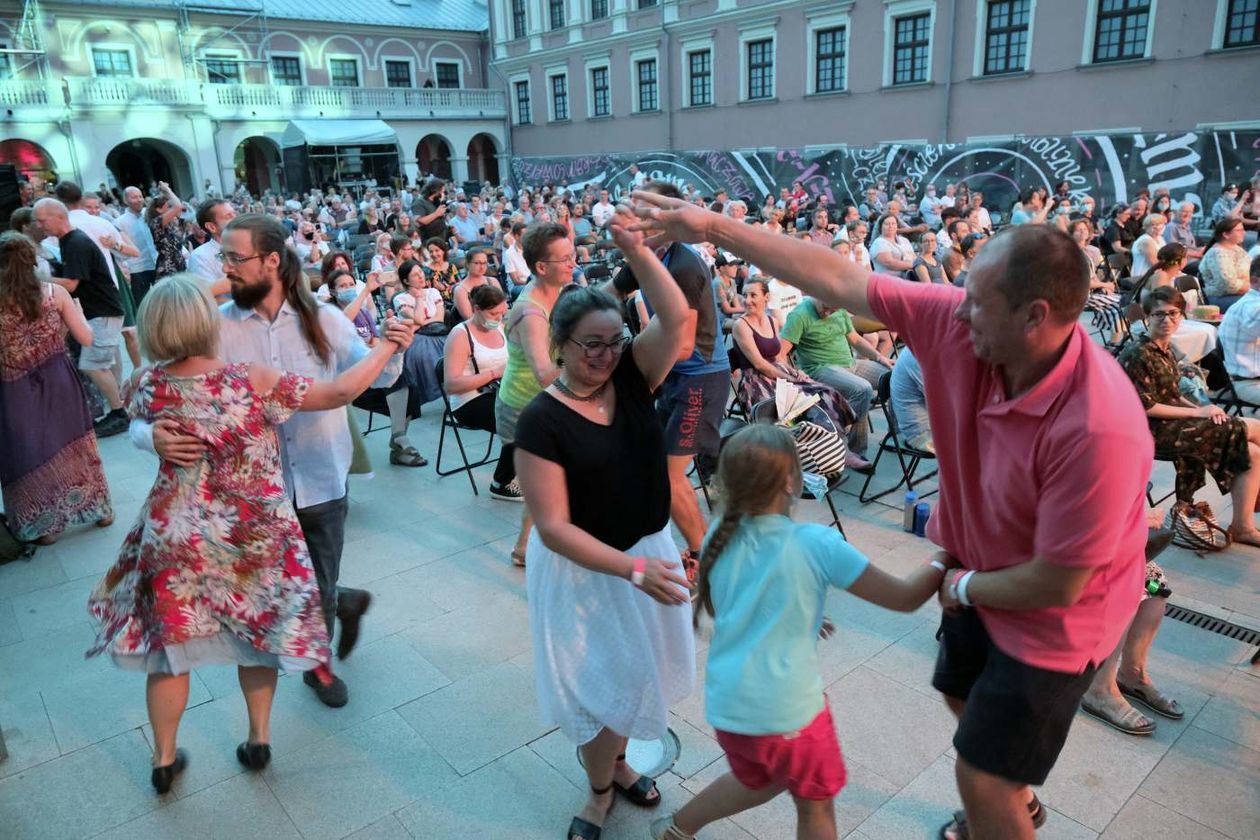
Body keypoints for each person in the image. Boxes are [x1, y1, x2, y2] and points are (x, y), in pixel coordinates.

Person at [631, 193, 1153, 840]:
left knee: (980, 775)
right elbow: (839, 277)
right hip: (976, 570)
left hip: (1059, 615)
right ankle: (1012, 795)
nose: (958, 308)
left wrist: (958, 584)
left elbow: (1060, 581)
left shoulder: (1102, 425)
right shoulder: (961, 326)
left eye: (978, 301)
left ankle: (1001, 798)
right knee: (960, 692)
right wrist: (712, 227)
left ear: (1035, 317)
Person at [88, 275, 405, 794]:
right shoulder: (250, 379)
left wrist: (150, 437)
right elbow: (342, 391)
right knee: (259, 641)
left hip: (177, 532)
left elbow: (134, 424)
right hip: (256, 531)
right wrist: (389, 343)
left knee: (172, 651)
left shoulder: (146, 382)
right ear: (203, 321)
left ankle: (164, 760)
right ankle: (258, 741)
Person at [131, 215, 414, 708]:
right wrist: (148, 436)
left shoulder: (324, 319)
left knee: (316, 581)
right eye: (224, 257)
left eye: (235, 258)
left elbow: (370, 377)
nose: (226, 268)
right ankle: (341, 601)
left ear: (272, 261)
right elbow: (155, 394)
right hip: (246, 497)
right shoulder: (213, 327)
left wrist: (391, 346)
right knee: (274, 585)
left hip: (320, 477)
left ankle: (319, 664)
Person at [650, 424, 955, 840]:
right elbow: (904, 598)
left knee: (759, 778)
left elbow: (738, 603)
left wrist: (801, 612)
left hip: (730, 708)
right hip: (787, 713)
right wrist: (943, 558)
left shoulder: (718, 538)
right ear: (792, 480)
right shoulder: (816, 543)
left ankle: (678, 828)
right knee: (816, 806)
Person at [514, 211, 694, 840]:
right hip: (589, 571)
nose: (605, 355)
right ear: (561, 343)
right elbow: (555, 527)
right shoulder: (542, 420)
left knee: (636, 675)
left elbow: (678, 320)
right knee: (599, 690)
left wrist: (639, 252)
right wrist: (633, 569)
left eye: (616, 340)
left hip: (646, 554)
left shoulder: (633, 376)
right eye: (592, 344)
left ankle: (617, 766)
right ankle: (598, 791)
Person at [625, 181, 732, 593]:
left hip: (700, 378)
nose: (633, 219)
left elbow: (683, 344)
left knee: (670, 476)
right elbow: (610, 294)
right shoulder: (644, 254)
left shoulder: (684, 265)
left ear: (666, 217)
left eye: (644, 212)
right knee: (654, 464)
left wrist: (630, 360)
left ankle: (705, 557)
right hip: (674, 377)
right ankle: (691, 546)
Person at [1119, 286, 1260, 546]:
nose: (1167, 320)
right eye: (1159, 315)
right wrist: (1197, 411)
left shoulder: (1165, 348)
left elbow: (1171, 393)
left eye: (1173, 313)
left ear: (1182, 316)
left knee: (1252, 452)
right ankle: (1248, 514)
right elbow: (1146, 407)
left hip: (1169, 421)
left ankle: (1242, 526)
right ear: (1147, 317)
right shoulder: (1138, 353)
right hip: (1147, 430)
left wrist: (1208, 409)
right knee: (1252, 428)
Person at [0, 231, 113, 544]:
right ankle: (99, 509)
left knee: (28, 450)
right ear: (32, 260)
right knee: (76, 443)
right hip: (58, 375)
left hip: (13, 385)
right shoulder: (54, 293)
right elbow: (87, 338)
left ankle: (43, 525)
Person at [496, 222, 568, 564]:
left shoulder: (557, 294)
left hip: (546, 401)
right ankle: (527, 545)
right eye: (565, 259)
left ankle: (526, 546)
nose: (574, 263)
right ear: (541, 267)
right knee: (550, 479)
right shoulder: (530, 312)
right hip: (525, 406)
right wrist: (588, 359)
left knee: (552, 478)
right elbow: (543, 373)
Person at [33, 198, 131, 437]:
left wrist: (34, 280)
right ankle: (118, 408)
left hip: (103, 311)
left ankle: (119, 413)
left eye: (42, 220)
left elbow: (71, 284)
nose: (39, 225)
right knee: (99, 363)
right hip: (100, 311)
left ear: (58, 216)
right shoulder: (69, 242)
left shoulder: (75, 242)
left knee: (93, 365)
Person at [730, 281, 858, 459]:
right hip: (756, 381)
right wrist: (788, 377)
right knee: (789, 409)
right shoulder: (740, 325)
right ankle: (801, 457)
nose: (747, 300)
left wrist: (795, 371)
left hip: (778, 373)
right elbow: (759, 364)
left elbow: (776, 357)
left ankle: (838, 448)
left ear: (766, 298)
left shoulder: (772, 321)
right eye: (745, 295)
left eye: (753, 295)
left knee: (826, 393)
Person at [779, 295, 891, 464]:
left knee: (893, 376)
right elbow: (780, 354)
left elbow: (855, 339)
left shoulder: (839, 309)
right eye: (826, 307)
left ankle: (896, 435)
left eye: (834, 309)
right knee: (862, 389)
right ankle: (847, 448)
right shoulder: (800, 315)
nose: (829, 312)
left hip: (851, 363)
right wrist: (795, 373)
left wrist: (879, 357)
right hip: (821, 368)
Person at [442, 284, 521, 500]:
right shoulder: (460, 335)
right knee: (521, 420)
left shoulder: (501, 328)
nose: (499, 318)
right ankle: (501, 482)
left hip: (500, 392)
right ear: (476, 309)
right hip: (469, 400)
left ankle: (530, 468)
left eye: (502, 313)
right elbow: (451, 385)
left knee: (543, 407)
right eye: (493, 313)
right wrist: (495, 373)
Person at [1200, 217, 1251, 310]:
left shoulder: (1237, 249)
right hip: (1221, 298)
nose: (1244, 233)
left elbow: (1252, 271)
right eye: (1239, 230)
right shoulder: (1217, 253)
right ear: (1226, 234)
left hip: (1241, 294)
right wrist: (1252, 286)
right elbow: (1228, 284)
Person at [146, 183, 187, 279]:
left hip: (179, 264)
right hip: (168, 267)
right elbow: (178, 206)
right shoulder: (156, 223)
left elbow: (178, 206)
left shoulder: (172, 223)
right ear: (159, 210)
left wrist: (167, 193)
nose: (171, 209)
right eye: (168, 207)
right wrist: (168, 189)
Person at [452, 246, 498, 320]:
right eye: (477, 263)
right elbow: (469, 317)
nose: (482, 267)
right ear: (467, 264)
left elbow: (503, 307)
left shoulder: (493, 281)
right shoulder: (461, 290)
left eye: (484, 263)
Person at [1130, 213, 1168, 279]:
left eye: (1161, 224)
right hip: (1144, 277)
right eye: (1153, 225)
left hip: (1159, 273)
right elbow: (1156, 264)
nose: (1158, 227)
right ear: (1146, 227)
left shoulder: (1160, 238)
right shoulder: (1145, 241)